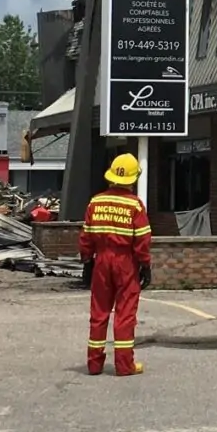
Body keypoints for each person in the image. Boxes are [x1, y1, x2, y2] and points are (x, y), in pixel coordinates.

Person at [81, 153, 151, 376]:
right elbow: (142, 239)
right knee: (125, 313)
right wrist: (145, 266)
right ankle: (124, 365)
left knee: (99, 313)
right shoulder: (135, 205)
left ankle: (94, 364)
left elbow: (86, 236)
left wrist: (86, 261)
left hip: (101, 261)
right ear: (132, 179)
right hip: (125, 263)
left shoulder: (96, 201)